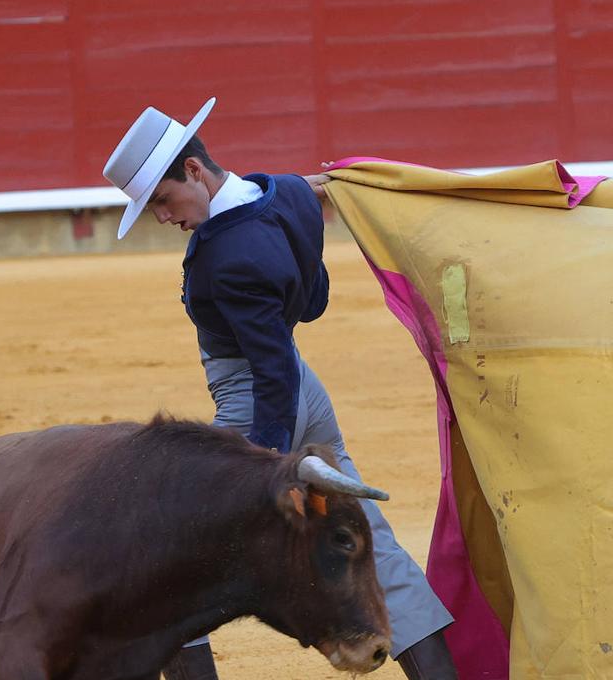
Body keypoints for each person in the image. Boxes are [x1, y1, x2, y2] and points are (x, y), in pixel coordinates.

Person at [103, 98, 459, 680]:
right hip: (306, 392)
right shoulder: (288, 193)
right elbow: (312, 302)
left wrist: (262, 462)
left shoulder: (230, 256)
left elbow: (269, 374)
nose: (164, 218)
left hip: (262, 401)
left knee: (161, 550)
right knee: (370, 536)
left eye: (162, 201)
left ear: (194, 171)